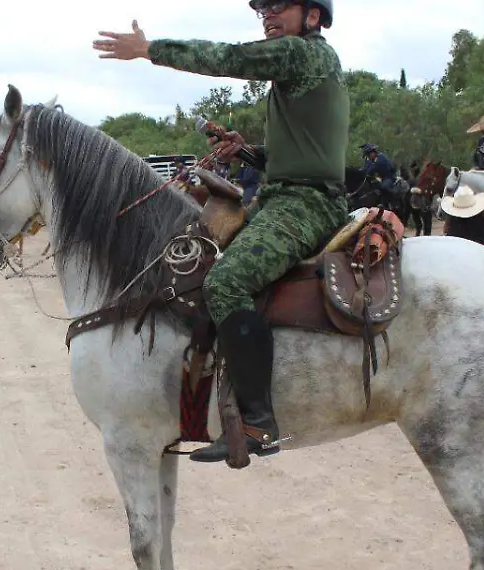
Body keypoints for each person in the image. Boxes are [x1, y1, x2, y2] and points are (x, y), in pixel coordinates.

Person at [94, 0, 347, 463]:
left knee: (227, 281)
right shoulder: (299, 73)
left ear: (312, 16)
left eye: (279, 6)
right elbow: (299, 157)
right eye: (263, 9)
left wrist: (150, 49)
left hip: (307, 206)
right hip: (281, 197)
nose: (268, 15)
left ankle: (258, 424)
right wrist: (247, 153)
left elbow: (231, 58)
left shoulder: (304, 55)